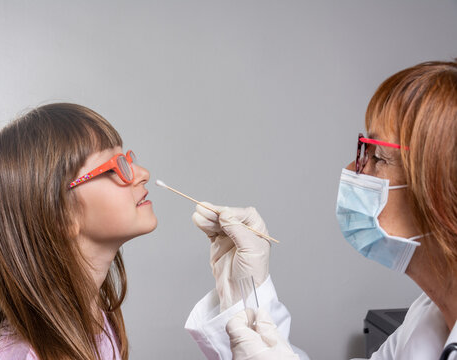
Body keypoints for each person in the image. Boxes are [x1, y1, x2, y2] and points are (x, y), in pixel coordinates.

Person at [185, 59, 457, 360]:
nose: (353, 169)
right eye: (362, 149)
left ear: (442, 194)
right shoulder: (427, 319)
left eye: (377, 156)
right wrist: (247, 295)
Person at [0, 103, 157, 360]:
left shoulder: (95, 319)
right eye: (115, 166)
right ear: (61, 215)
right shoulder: (23, 354)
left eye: (128, 159)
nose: (142, 174)